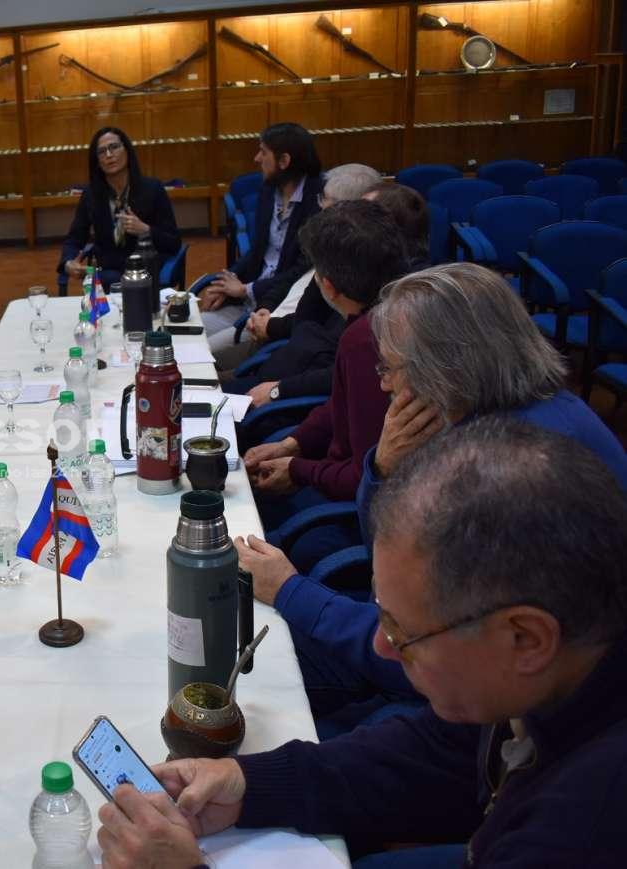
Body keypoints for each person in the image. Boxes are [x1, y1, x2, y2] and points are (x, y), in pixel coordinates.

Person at [100, 419, 627, 868]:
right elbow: (444, 751)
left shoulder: (583, 828)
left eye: (404, 632)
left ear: (526, 639)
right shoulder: (554, 675)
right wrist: (248, 784)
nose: (381, 647)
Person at [236, 262, 627, 723]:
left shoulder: (508, 470)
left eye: (389, 367)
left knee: (249, 677)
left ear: (448, 368)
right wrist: (382, 468)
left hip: (477, 706)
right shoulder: (510, 410)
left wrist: (289, 590)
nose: (383, 383)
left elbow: (412, 654)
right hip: (431, 651)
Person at [243, 200, 405, 536]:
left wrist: (298, 470)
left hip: (367, 514)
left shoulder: (365, 339)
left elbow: (368, 472)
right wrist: (294, 444)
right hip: (348, 481)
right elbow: (343, 403)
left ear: (327, 286)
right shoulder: (394, 310)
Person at [217, 163, 384, 382]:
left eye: (325, 199)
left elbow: (314, 335)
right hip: (271, 333)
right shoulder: (323, 243)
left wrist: (277, 390)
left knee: (201, 373)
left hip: (284, 355)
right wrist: (265, 307)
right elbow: (289, 279)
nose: (319, 205)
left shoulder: (352, 272)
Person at [200, 123, 324, 353]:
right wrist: (224, 284)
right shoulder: (269, 190)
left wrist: (246, 289)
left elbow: (300, 271)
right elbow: (258, 250)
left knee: (204, 351)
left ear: (284, 161)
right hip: (247, 300)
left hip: (274, 311)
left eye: (263, 152)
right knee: (185, 333)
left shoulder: (318, 202)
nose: (257, 158)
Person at [59, 126, 180, 290]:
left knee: (114, 280)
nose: (109, 155)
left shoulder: (152, 189)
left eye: (114, 147)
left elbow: (173, 242)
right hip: (107, 273)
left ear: (127, 151)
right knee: (108, 279)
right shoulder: (91, 195)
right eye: (102, 151)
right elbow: (74, 238)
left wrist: (145, 230)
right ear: (97, 162)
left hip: (144, 272)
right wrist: (68, 262)